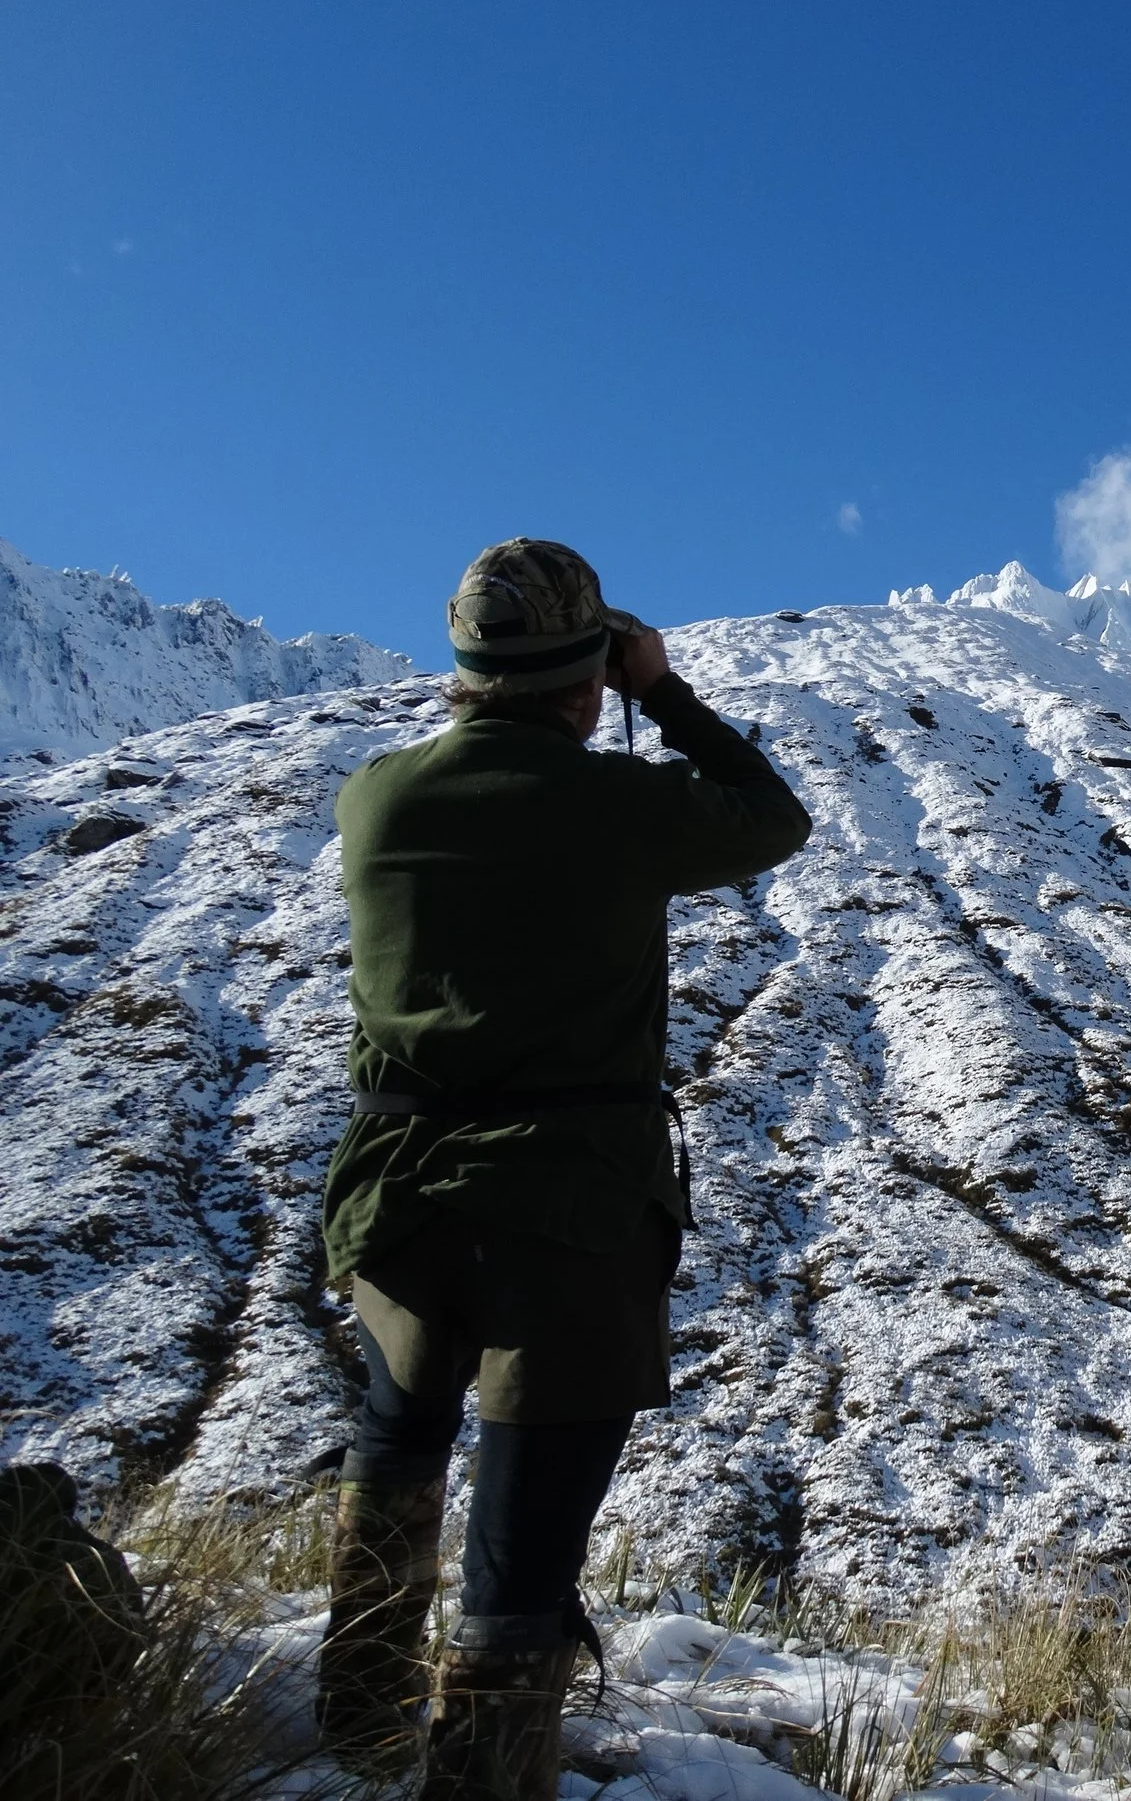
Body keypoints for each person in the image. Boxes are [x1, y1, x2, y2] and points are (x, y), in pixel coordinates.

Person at [315, 539, 811, 1799]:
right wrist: (667, 695)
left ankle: (356, 1718)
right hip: (568, 1206)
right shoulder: (610, 802)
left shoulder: (375, 797)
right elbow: (773, 819)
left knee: (395, 1441)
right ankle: (482, 1771)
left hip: (398, 1189)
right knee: (523, 1537)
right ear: (587, 674)